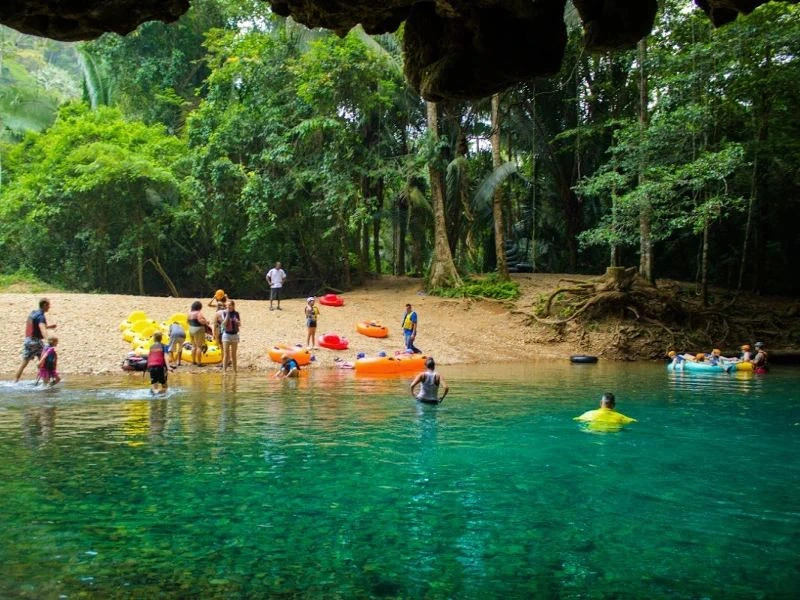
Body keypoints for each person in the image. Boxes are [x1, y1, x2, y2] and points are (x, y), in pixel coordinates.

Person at [15, 298, 57, 383]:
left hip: (28, 341)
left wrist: (49, 327)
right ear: (44, 305)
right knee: (45, 360)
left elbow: (35, 326)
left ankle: (15, 382)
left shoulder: (33, 313)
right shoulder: (41, 316)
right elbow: (42, 329)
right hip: (35, 342)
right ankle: (46, 383)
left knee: (24, 363)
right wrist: (49, 341)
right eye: (48, 305)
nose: (49, 307)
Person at [221, 299, 241, 373]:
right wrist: (228, 314)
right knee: (226, 354)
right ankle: (224, 371)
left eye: (230, 305)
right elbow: (224, 324)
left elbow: (239, 324)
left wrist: (238, 322)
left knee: (234, 354)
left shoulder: (236, 313)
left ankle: (235, 371)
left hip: (234, 335)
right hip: (226, 335)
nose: (228, 306)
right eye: (227, 305)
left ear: (233, 306)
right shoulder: (224, 312)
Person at [187, 300, 210, 366]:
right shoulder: (198, 313)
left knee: (194, 346)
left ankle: (193, 361)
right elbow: (201, 321)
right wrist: (206, 322)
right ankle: (199, 362)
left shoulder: (189, 313)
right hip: (198, 329)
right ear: (199, 307)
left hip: (191, 329)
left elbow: (187, 321)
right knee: (199, 346)